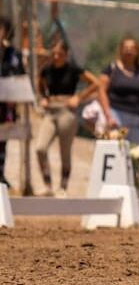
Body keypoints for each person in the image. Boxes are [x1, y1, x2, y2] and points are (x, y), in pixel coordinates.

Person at [36, 40, 99, 197]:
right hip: (50, 111)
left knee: (65, 151)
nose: (57, 57)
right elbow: (39, 85)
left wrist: (79, 97)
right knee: (40, 148)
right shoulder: (46, 70)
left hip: (67, 111)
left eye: (60, 54)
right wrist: (43, 97)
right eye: (54, 53)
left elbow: (95, 83)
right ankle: (48, 184)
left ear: (66, 54)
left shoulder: (73, 69)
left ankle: (63, 187)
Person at [97, 36, 139, 146]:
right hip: (116, 115)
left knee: (134, 152)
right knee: (113, 148)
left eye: (132, 48)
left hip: (137, 119)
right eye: (126, 48)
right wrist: (108, 115)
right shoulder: (111, 69)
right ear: (121, 50)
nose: (129, 50)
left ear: (137, 51)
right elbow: (101, 91)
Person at [0, 16, 26, 188]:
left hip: (6, 104)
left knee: (2, 140)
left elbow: (20, 76)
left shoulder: (13, 54)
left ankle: (0, 174)